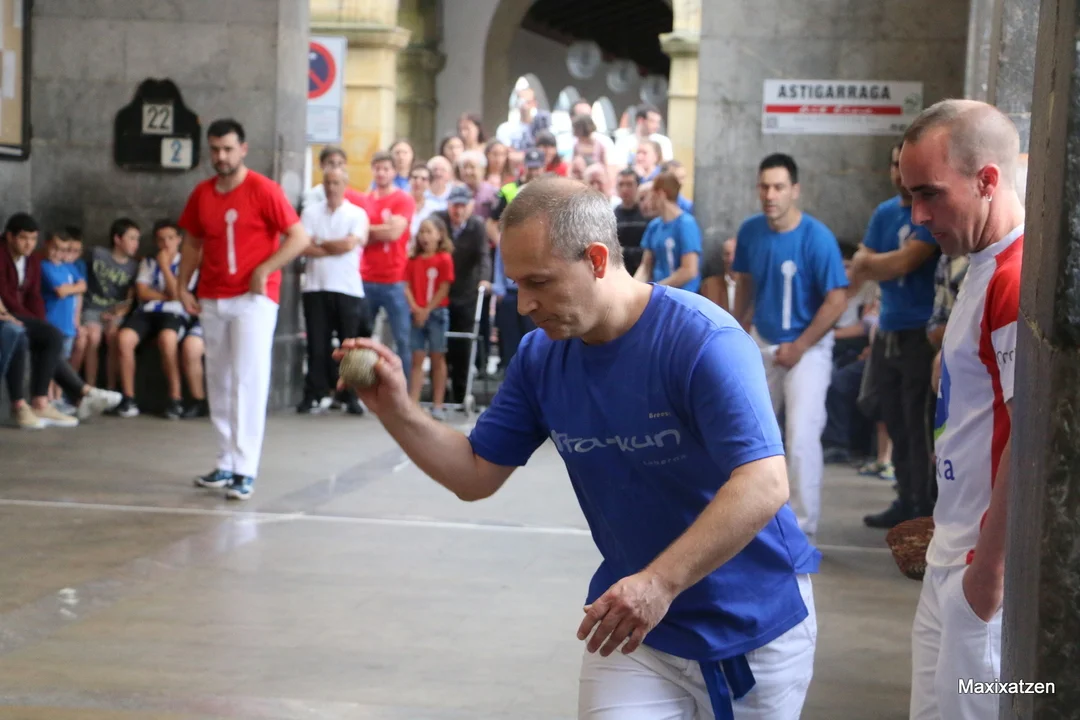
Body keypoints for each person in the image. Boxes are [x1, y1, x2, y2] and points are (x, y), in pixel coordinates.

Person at [335, 177, 819, 719]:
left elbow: (764, 482)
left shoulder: (703, 341)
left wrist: (658, 583)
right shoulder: (541, 357)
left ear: (595, 259)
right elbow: (474, 473)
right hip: (633, 629)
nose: (526, 304)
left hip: (752, 624)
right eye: (517, 284)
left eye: (539, 281)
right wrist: (397, 410)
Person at [899, 99, 1023, 720]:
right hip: (952, 554)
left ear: (987, 180)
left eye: (930, 194)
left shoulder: (1014, 279)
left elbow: (1031, 439)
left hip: (980, 573)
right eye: (910, 196)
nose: (918, 217)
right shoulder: (978, 265)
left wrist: (989, 572)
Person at [177, 118, 310, 501]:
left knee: (248, 380)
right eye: (215, 149)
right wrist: (182, 286)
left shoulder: (263, 189)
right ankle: (225, 460)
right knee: (218, 380)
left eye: (228, 149)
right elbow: (192, 242)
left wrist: (265, 269)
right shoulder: (202, 193)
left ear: (243, 149)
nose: (221, 156)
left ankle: (245, 469)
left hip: (253, 299)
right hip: (212, 296)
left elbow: (299, 237)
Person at [732, 153, 849, 538]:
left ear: (794, 190)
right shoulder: (750, 232)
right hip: (762, 343)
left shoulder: (818, 238)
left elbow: (836, 300)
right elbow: (746, 282)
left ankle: (801, 526)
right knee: (749, 434)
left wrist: (799, 347)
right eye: (764, 187)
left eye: (779, 187)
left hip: (808, 350)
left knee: (800, 437)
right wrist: (737, 330)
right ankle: (746, 521)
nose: (770, 195)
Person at [852, 145, 942, 528]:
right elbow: (860, 265)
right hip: (888, 328)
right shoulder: (884, 212)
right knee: (894, 420)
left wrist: (877, 262)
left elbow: (908, 260)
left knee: (918, 423)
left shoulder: (929, 211)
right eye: (894, 165)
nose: (899, 173)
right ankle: (905, 499)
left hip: (921, 333)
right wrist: (880, 263)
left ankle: (924, 507)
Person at [0, 213, 122, 425]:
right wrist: (28, 321)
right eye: (23, 238)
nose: (29, 244)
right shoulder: (2, 255)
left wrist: (40, 323)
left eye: (33, 238)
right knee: (20, 334)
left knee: (51, 335)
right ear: (10, 237)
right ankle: (73, 394)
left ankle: (43, 402)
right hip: (7, 315)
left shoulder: (32, 260)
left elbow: (34, 296)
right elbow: (6, 295)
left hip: (17, 315)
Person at [297, 167, 370, 415]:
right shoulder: (310, 212)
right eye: (327, 183)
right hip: (316, 287)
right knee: (316, 344)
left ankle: (350, 395)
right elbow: (302, 246)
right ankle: (313, 393)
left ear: (344, 185)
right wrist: (334, 246)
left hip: (347, 288)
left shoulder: (356, 213)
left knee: (349, 346)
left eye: (336, 182)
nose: (331, 187)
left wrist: (319, 242)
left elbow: (349, 244)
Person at [114, 220, 201, 419]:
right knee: (124, 338)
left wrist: (164, 266)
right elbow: (142, 292)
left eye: (170, 238)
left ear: (179, 239)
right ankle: (128, 397)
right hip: (147, 312)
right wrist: (168, 295)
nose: (166, 243)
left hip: (175, 313)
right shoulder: (148, 262)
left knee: (167, 339)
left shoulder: (188, 263)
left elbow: (179, 294)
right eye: (161, 239)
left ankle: (175, 398)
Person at [361, 151, 417, 380]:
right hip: (366, 276)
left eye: (386, 168)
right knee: (363, 337)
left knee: (402, 338)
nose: (381, 173)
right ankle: (363, 386)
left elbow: (394, 233)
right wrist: (379, 230)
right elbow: (358, 235)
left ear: (394, 171)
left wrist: (368, 231)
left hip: (395, 278)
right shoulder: (365, 200)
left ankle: (403, 389)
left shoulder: (404, 199)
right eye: (377, 168)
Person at [405, 216, 455, 419]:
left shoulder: (444, 259)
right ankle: (413, 402)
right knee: (417, 357)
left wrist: (427, 309)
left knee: (437, 357)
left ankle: (438, 404)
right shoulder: (413, 260)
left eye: (429, 232)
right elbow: (406, 286)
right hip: (416, 313)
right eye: (422, 232)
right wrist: (416, 308)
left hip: (436, 314)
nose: (424, 236)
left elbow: (444, 287)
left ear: (439, 235)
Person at [633, 171, 702, 293]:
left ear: (660, 194)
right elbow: (646, 266)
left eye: (650, 196)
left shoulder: (686, 224)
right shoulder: (654, 226)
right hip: (660, 295)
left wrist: (657, 289)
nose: (648, 202)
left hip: (682, 296)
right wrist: (635, 288)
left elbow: (689, 270)